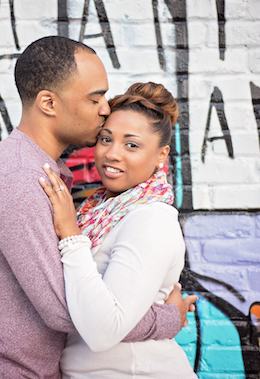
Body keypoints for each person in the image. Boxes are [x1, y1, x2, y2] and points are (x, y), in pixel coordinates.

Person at [0, 37, 195, 378]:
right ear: (48, 103)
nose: (105, 108)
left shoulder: (46, 173)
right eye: (94, 97)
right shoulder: (20, 178)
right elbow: (67, 312)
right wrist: (166, 319)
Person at [39, 82, 199, 378]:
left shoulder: (148, 220)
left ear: (162, 155)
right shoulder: (100, 210)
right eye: (106, 139)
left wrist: (71, 235)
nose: (112, 154)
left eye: (132, 145)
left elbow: (103, 331)